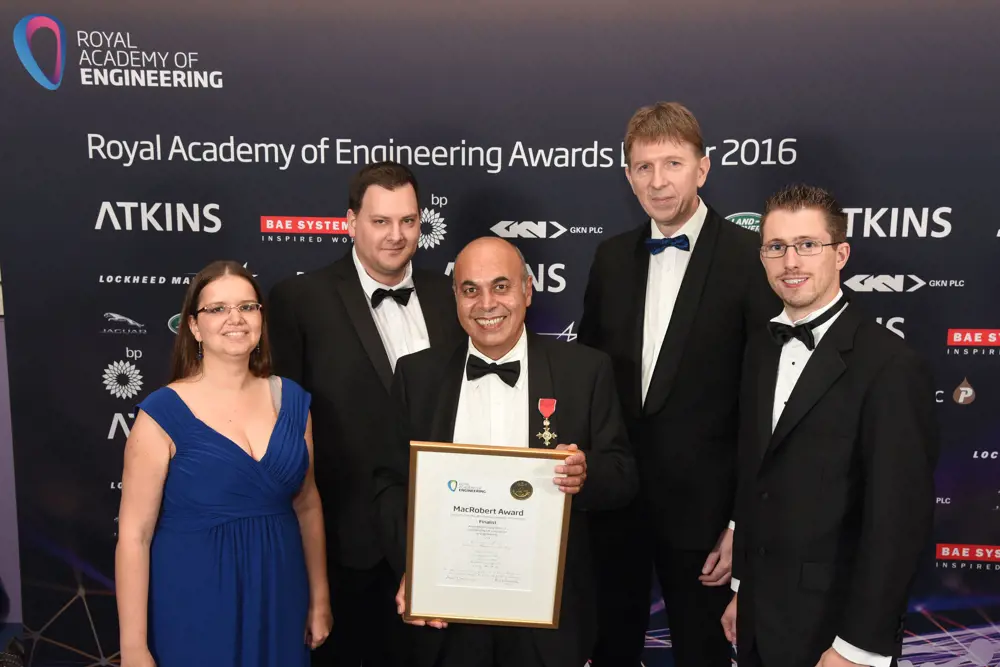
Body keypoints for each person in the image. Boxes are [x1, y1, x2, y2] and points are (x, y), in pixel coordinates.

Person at [577, 101, 780, 666]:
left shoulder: (750, 259)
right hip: (615, 509)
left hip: (708, 523)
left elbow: (765, 403)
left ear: (703, 168)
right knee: (609, 649)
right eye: (644, 167)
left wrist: (742, 520)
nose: (658, 181)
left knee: (703, 657)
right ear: (628, 175)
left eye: (672, 163)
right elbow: (587, 381)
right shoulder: (610, 257)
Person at [373, 237, 639, 667]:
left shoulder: (585, 371)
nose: (486, 303)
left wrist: (586, 474)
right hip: (448, 612)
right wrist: (415, 565)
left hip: (548, 615)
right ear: (455, 297)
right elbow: (389, 483)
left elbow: (623, 474)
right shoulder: (416, 376)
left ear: (527, 291)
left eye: (501, 286)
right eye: (470, 289)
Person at [720, 184, 939, 667]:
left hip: (833, 634)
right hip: (758, 622)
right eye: (776, 247)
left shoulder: (890, 365)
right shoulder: (760, 348)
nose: (790, 262)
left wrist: (858, 647)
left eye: (807, 245)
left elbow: (897, 523)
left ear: (840, 253)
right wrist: (743, 590)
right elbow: (759, 476)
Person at [267, 161, 465, 666]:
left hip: (445, 537)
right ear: (351, 221)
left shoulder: (453, 299)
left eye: (408, 221)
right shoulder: (300, 300)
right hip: (344, 545)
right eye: (380, 221)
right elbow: (285, 426)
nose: (396, 236)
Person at [115, 260, 332, 667]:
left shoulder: (293, 401)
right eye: (218, 309)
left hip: (280, 596)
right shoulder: (162, 412)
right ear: (194, 326)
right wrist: (133, 646)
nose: (236, 318)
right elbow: (134, 536)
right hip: (193, 601)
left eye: (248, 307)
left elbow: (307, 505)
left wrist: (319, 598)